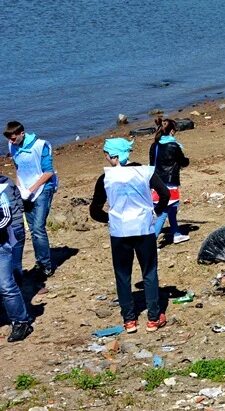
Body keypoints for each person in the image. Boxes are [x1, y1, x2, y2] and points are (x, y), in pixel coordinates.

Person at [89, 138, 169, 334]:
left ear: (113, 156)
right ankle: (153, 318)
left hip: (119, 231)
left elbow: (94, 210)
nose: (106, 157)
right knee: (149, 272)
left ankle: (129, 320)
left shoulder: (105, 178)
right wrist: (157, 211)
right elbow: (165, 194)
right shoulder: (144, 172)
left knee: (123, 275)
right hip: (143, 227)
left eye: (106, 154)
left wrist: (110, 218)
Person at [4, 122, 58, 278]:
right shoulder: (12, 146)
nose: (12, 142)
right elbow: (18, 169)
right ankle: (40, 261)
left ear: (22, 133)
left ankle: (46, 266)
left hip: (43, 188)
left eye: (14, 138)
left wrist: (31, 189)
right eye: (10, 139)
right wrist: (19, 188)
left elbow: (48, 172)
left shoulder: (41, 146)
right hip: (25, 189)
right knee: (33, 229)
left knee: (39, 227)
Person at [0, 174, 32, 342]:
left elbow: (7, 218)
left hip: (2, 245)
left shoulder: (2, 190)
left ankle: (21, 322)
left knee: (6, 284)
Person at [149, 118, 190, 245]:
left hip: (155, 181)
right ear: (172, 131)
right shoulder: (173, 146)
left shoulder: (154, 145)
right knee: (164, 212)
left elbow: (151, 163)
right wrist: (186, 161)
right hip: (169, 182)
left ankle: (176, 233)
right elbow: (183, 161)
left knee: (172, 208)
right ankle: (151, 242)